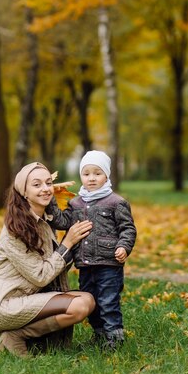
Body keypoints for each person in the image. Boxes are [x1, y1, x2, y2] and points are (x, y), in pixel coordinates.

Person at [0, 161, 95, 357]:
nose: (45, 189)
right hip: (6, 304)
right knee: (79, 305)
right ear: (23, 192)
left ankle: (26, 337)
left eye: (48, 183)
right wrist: (67, 243)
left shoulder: (44, 220)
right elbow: (41, 276)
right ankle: (16, 335)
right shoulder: (14, 230)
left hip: (27, 297)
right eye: (37, 185)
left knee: (87, 300)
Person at [49, 150, 137, 350]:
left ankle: (114, 338)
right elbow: (63, 222)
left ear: (106, 175)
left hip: (109, 264)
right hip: (86, 265)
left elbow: (127, 228)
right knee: (91, 301)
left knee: (108, 301)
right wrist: (52, 201)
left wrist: (124, 246)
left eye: (97, 173)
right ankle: (99, 334)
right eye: (86, 173)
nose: (91, 178)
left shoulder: (116, 202)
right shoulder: (76, 203)